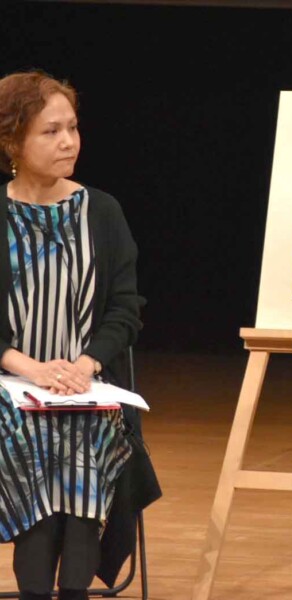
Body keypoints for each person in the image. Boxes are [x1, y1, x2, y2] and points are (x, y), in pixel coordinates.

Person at [0, 70, 159, 600]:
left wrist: (84, 366)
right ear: (12, 142)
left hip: (86, 386)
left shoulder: (102, 211)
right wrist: (33, 370)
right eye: (50, 131)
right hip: (10, 388)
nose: (68, 141)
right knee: (28, 440)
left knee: (87, 436)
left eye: (72, 127)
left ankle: (72, 593)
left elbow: (125, 310)